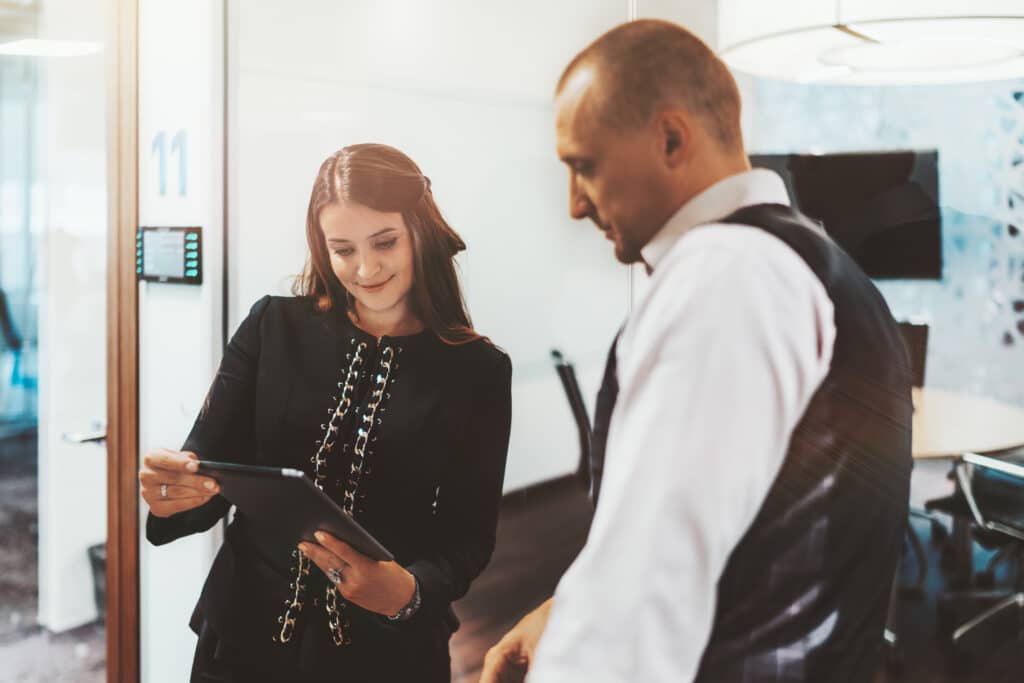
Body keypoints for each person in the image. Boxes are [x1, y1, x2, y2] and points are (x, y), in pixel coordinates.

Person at [482, 20, 911, 683]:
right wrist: (570, 606)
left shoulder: (726, 272)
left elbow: (644, 594)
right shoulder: (815, 262)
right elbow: (739, 530)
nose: (573, 204)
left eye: (584, 166)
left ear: (671, 138)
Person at [139, 143, 512, 682]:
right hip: (241, 642)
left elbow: (468, 536)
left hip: (386, 652)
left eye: (385, 242)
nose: (365, 269)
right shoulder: (272, 327)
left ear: (420, 233)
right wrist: (172, 494)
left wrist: (406, 592)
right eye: (342, 250)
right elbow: (208, 467)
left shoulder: (476, 369)